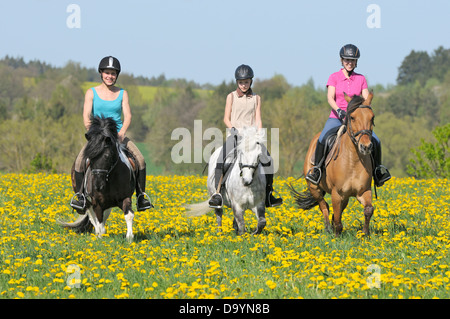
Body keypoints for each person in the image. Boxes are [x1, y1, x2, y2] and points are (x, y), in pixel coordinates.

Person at [70, 56, 153, 211]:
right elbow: (86, 116)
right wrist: (93, 134)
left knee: (140, 160)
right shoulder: (91, 92)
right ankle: (80, 197)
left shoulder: (122, 93)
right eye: (107, 73)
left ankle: (141, 196)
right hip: (97, 136)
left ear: (117, 76)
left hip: (117, 135)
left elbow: (128, 116)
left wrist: (121, 133)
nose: (110, 76)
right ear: (101, 73)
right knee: (79, 161)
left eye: (113, 73)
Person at [305, 44, 391, 187]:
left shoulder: (361, 79)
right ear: (342, 60)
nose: (349, 63)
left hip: (356, 119)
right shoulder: (334, 77)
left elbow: (365, 99)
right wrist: (339, 110)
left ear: (356, 62)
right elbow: (330, 98)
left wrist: (364, 111)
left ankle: (377, 171)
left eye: (352, 60)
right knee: (323, 138)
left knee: (375, 140)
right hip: (336, 117)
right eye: (347, 60)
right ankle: (317, 171)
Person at [208, 64, 283, 208]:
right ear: (237, 82)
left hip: (251, 137)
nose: (243, 85)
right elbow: (226, 118)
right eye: (241, 82)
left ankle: (268, 194)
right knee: (221, 159)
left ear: (251, 82)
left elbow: (258, 119)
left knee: (268, 160)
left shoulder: (256, 98)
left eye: (246, 82)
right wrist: (233, 129)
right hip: (235, 135)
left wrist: (258, 134)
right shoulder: (231, 96)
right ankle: (217, 194)